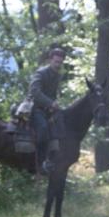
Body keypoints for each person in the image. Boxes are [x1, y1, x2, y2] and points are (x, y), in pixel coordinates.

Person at [28, 47, 67, 175]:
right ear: (50, 60)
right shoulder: (41, 73)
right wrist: (51, 103)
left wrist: (55, 105)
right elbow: (34, 92)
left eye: (60, 62)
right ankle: (40, 164)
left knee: (62, 126)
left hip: (48, 110)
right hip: (35, 108)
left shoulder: (58, 76)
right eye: (56, 61)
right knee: (43, 128)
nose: (58, 64)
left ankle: (56, 160)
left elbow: (53, 94)